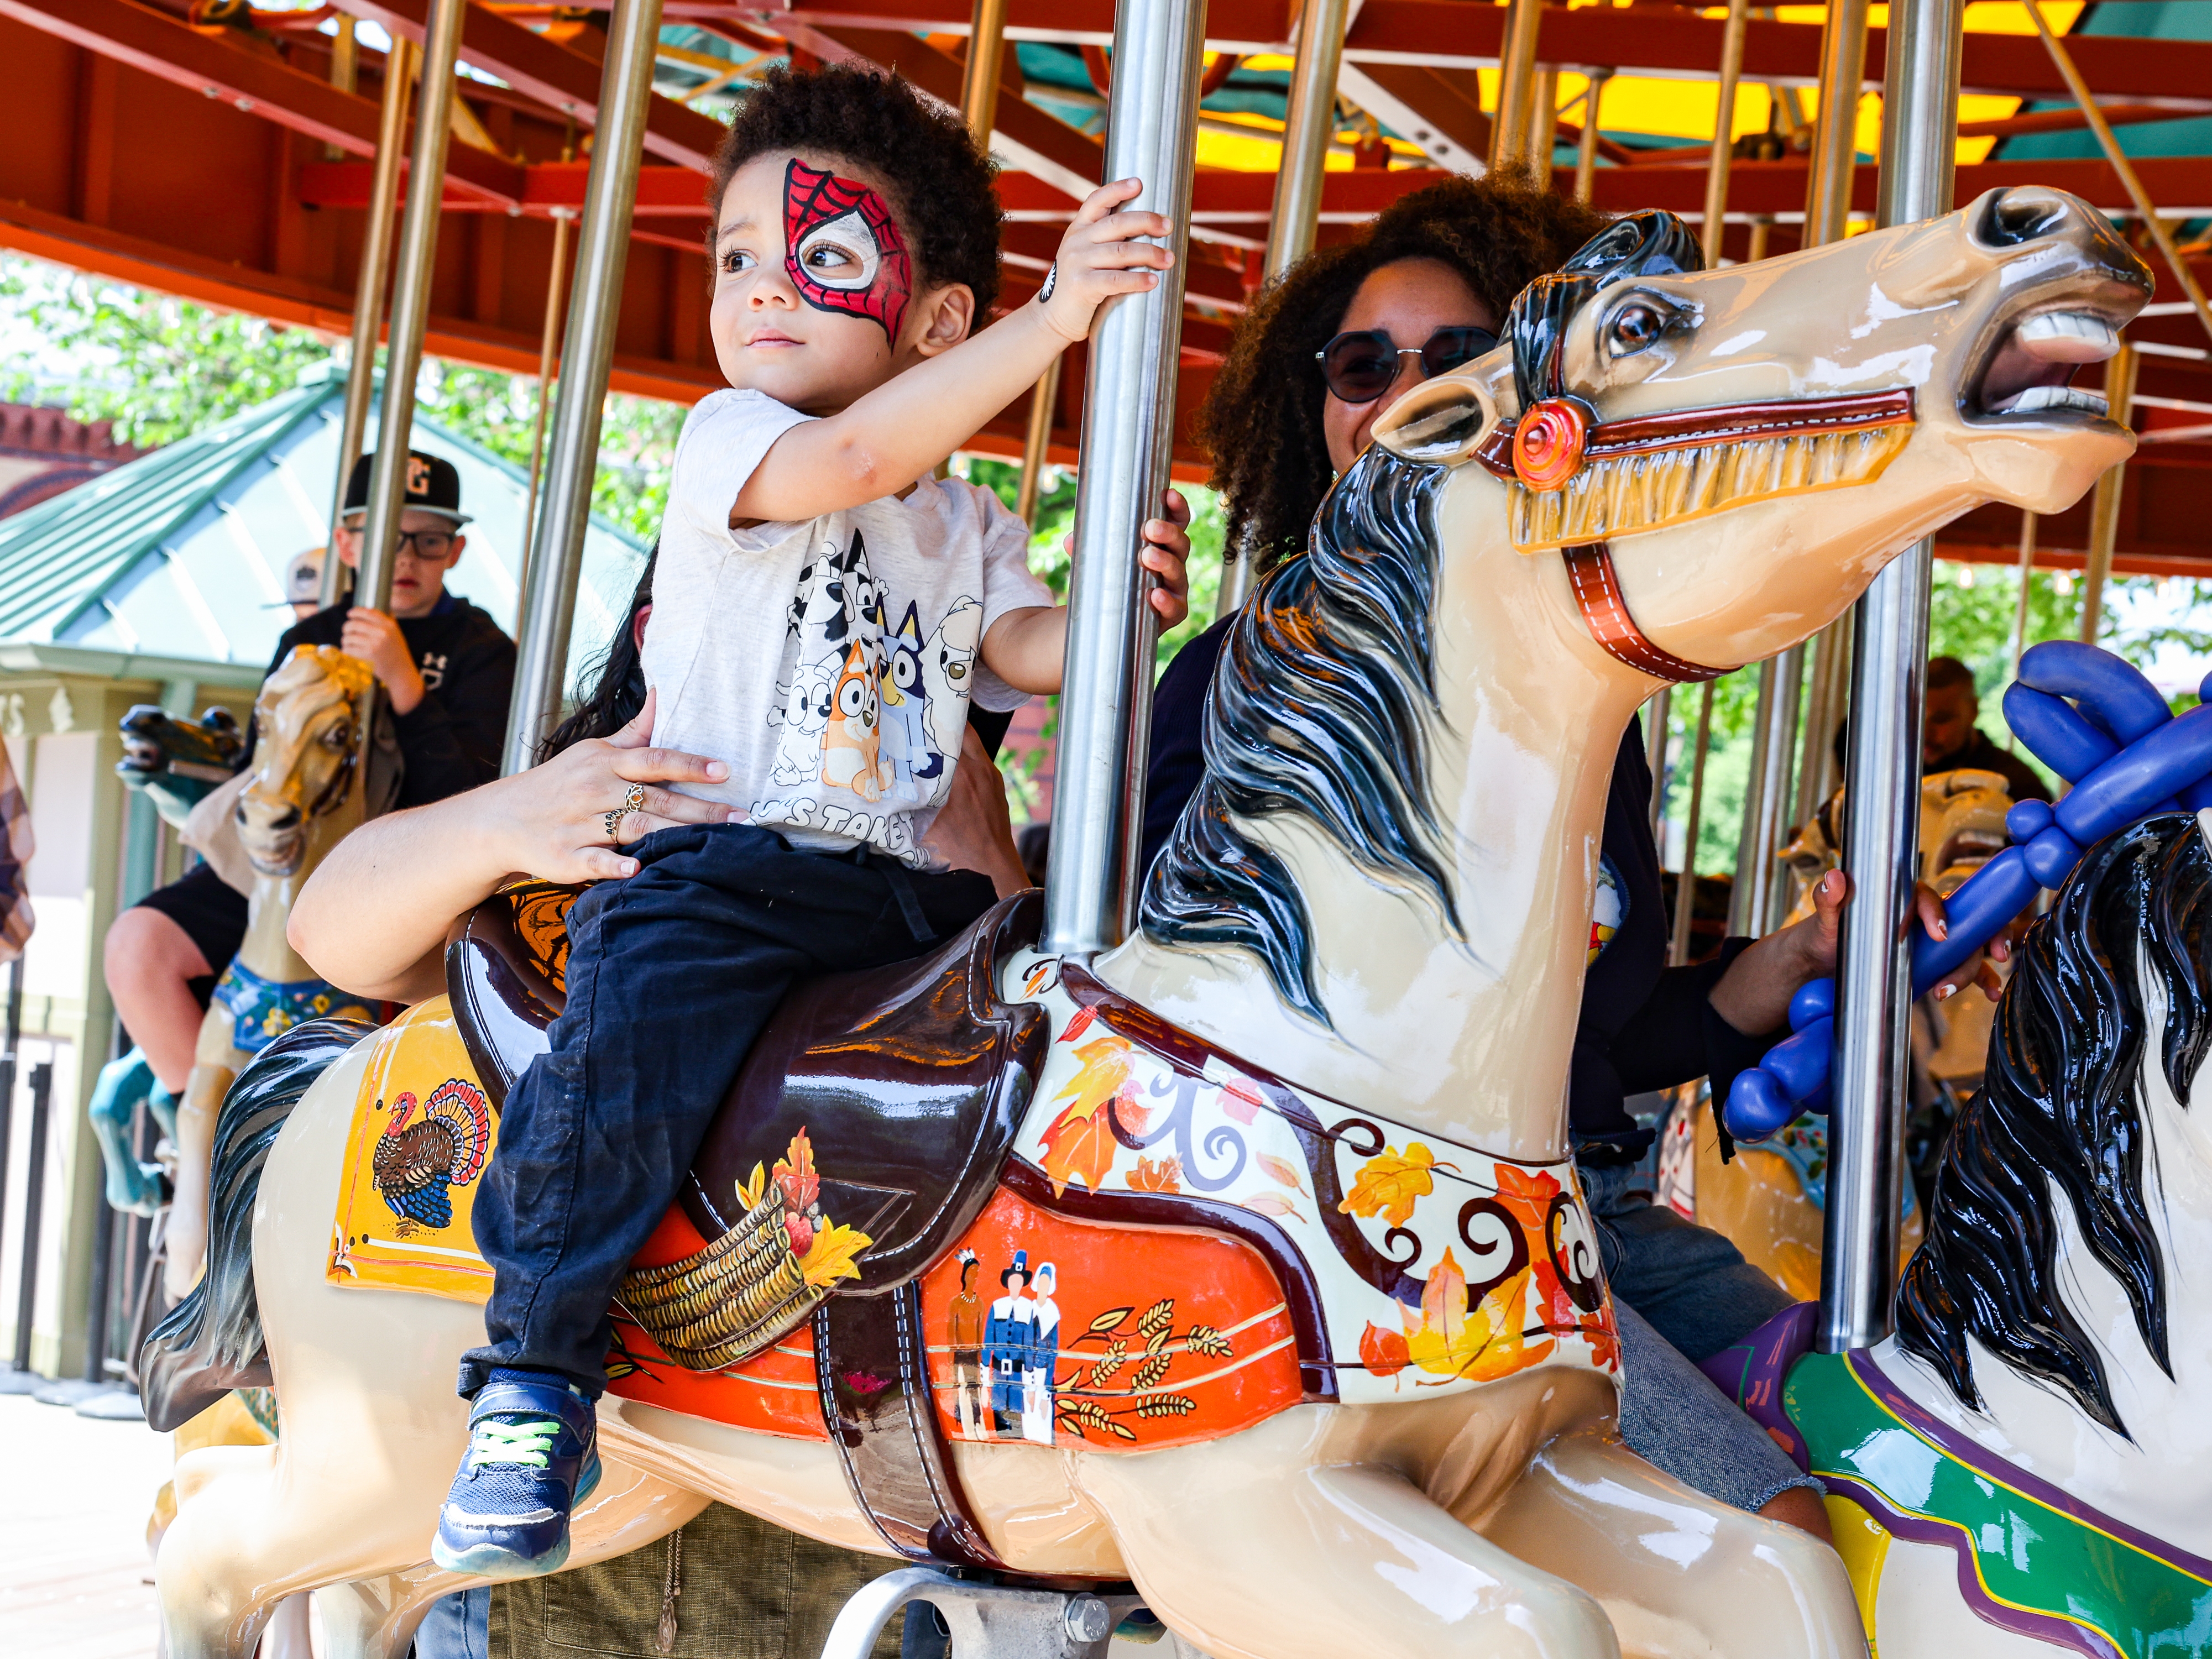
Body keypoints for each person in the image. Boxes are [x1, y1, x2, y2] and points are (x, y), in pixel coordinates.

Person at [1143, 170, 2005, 1543]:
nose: (1401, 390)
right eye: (1363, 364)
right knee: (1765, 1515)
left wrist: (1788, 956)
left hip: (1602, 1207)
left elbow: (1615, 1030)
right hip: (1400, 1222)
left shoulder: (1579, 716)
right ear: (1311, 407)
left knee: (1883, 1440)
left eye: (1453, 359)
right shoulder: (1246, 681)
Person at [427, 65, 1190, 1581]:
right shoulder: (733, 442)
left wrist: (1120, 595)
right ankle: (533, 1376)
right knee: (625, 1055)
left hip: (905, 899)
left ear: (932, 322)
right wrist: (1058, 325)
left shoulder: (963, 523)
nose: (763, 288)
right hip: (720, 872)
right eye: (735, 258)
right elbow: (853, 460)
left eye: (825, 257)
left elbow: (1025, 655)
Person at [106, 450, 515, 1097]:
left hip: (397, 877)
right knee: (138, 945)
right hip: (290, 864)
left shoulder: (481, 650)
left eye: (428, 541)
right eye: (387, 538)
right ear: (349, 543)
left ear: (456, 550)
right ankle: (205, 1133)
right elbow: (258, 768)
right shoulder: (312, 636)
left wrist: (407, 689)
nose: (406, 558)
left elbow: (474, 797)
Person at [1922, 654, 2052, 802]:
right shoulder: (1898, 774)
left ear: (1973, 710)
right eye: (1914, 719)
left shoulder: (2017, 785)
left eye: (1941, 719)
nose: (1924, 734)